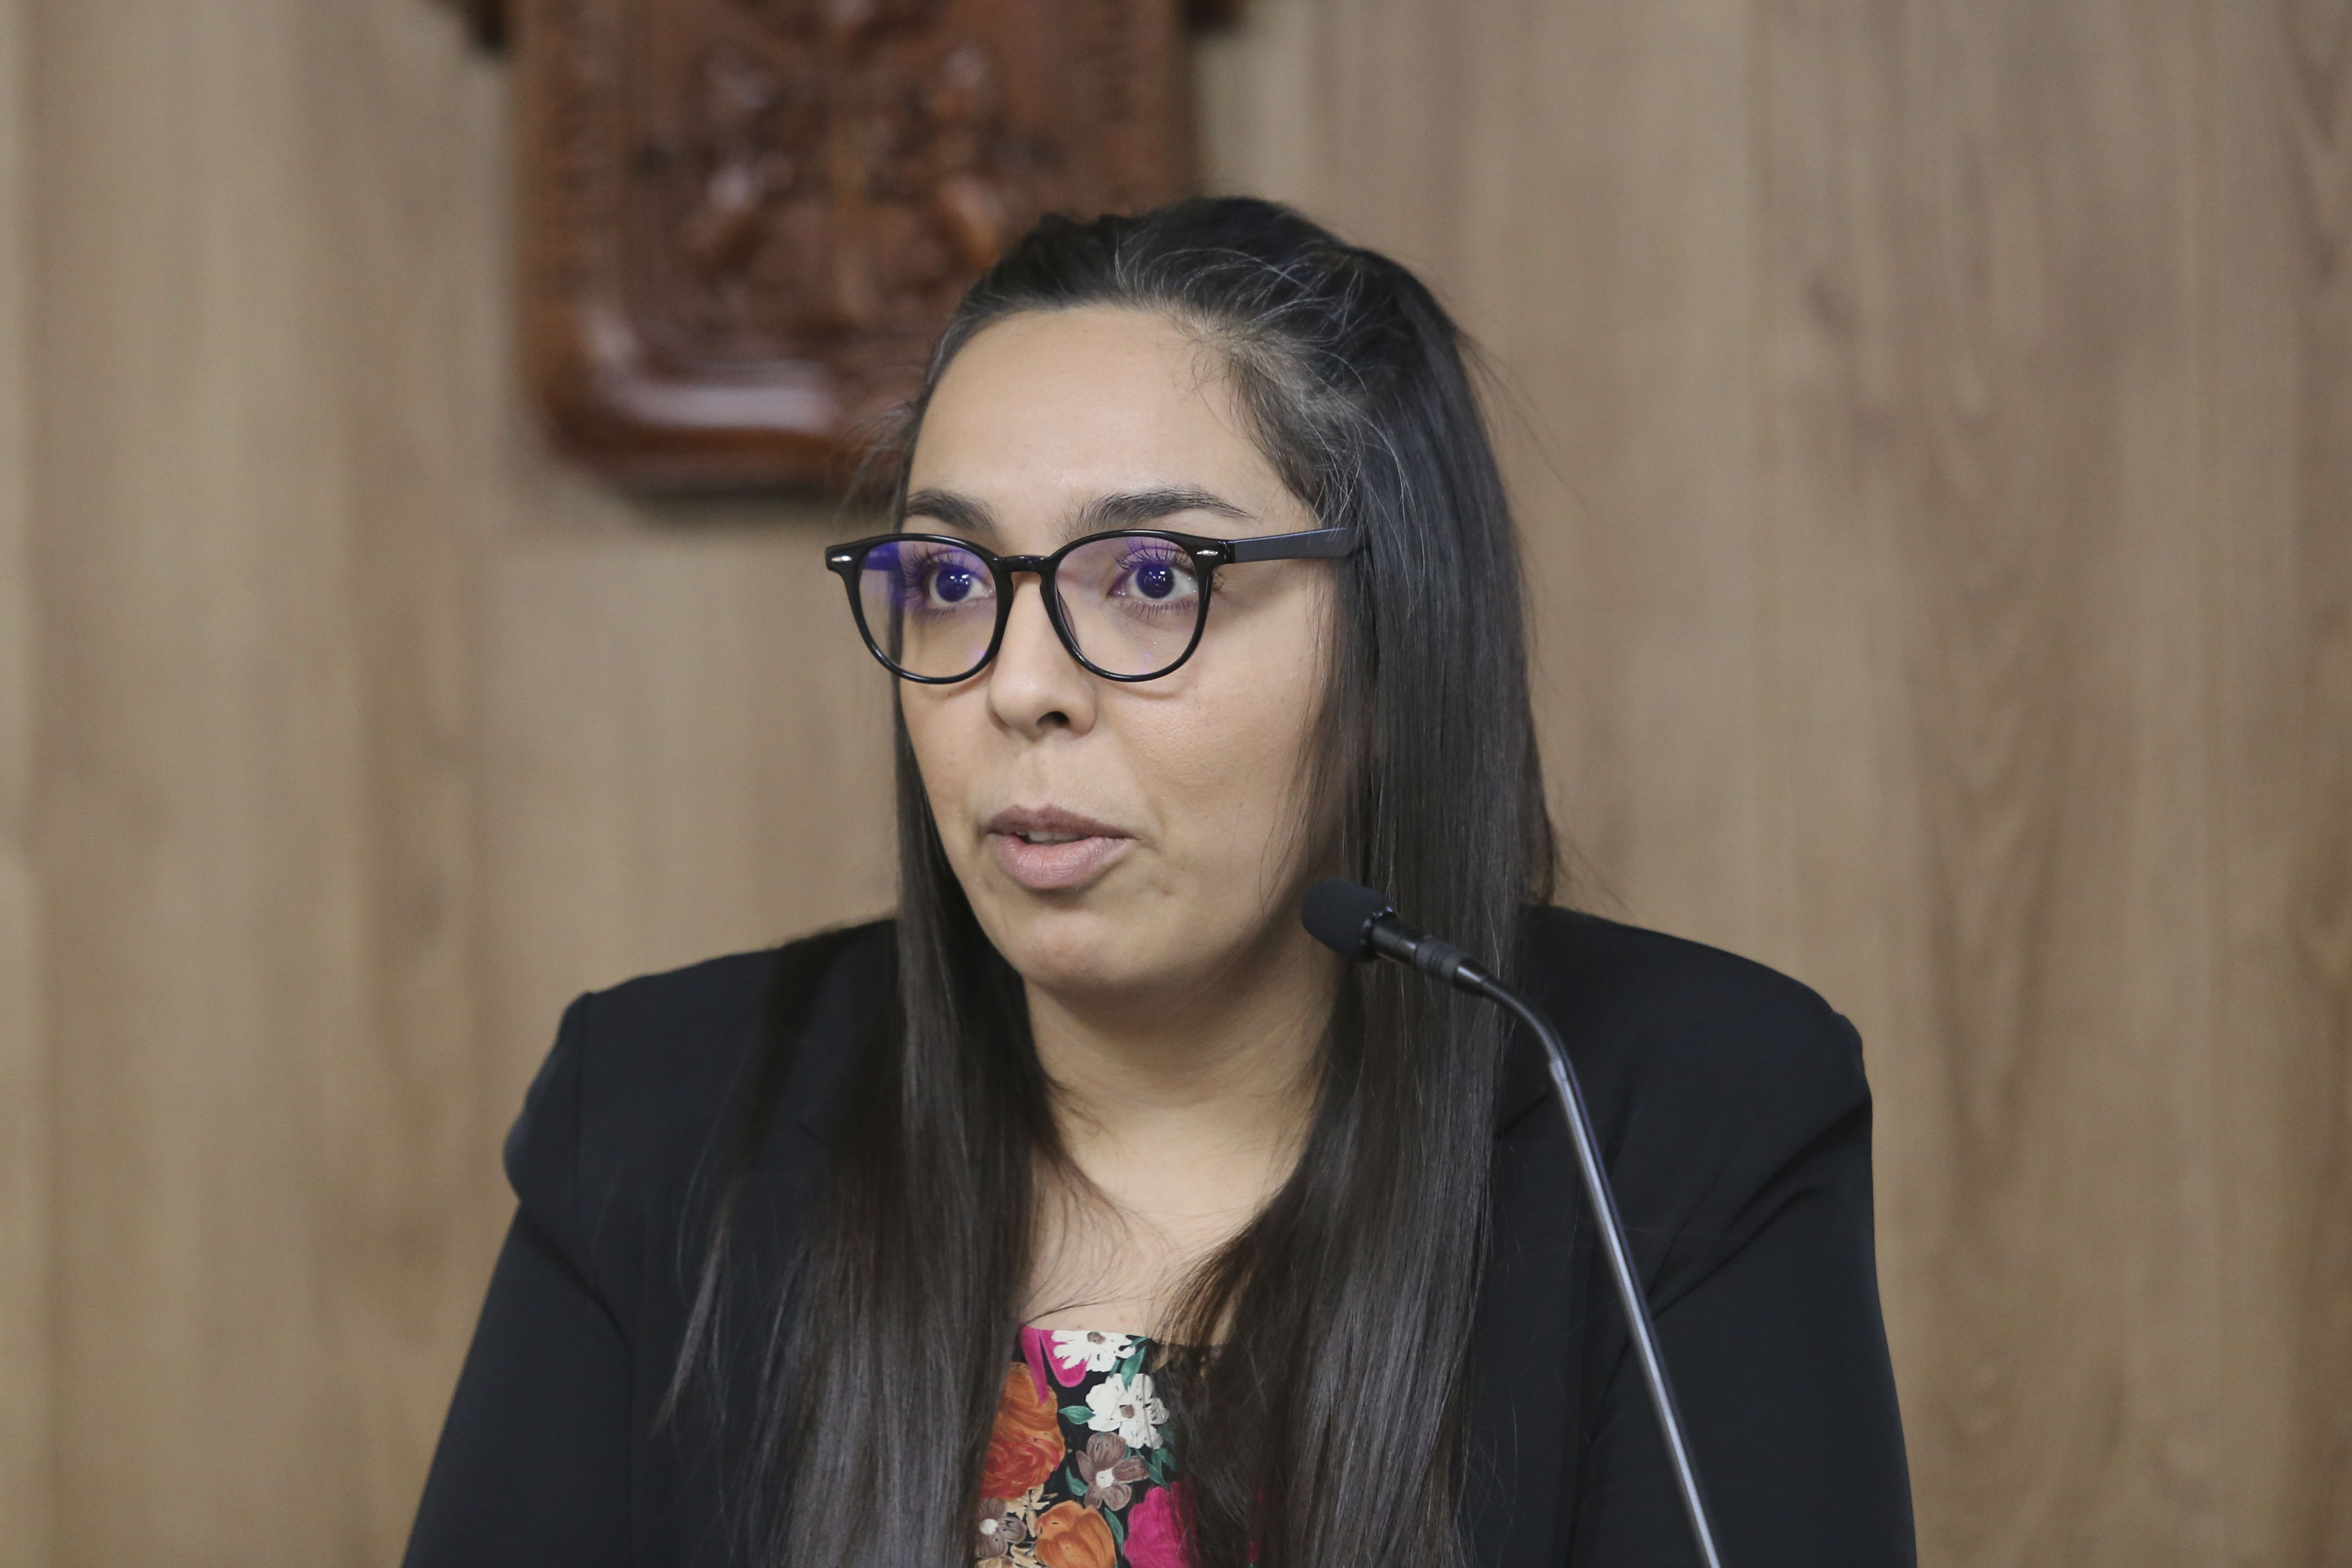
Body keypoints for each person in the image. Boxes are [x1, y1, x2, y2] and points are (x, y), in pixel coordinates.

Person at [402, 198, 1915, 1568]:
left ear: (1394, 639)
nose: (1020, 687)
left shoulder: (1680, 1118)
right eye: (950, 581)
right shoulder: (660, 1117)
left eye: (1149, 580)